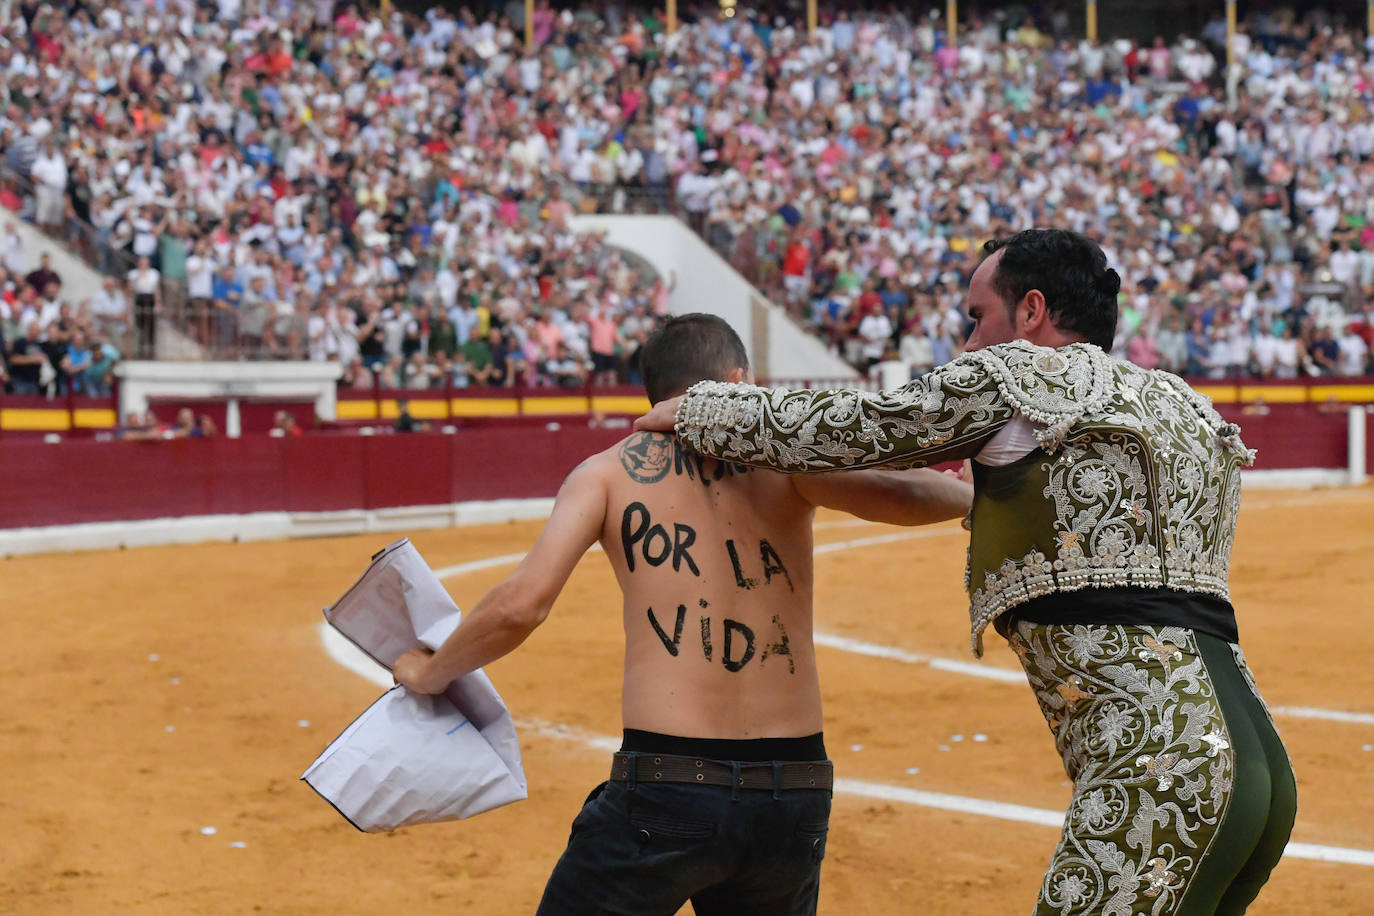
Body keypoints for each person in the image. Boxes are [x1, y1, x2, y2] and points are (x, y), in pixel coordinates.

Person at [638, 230, 1297, 916]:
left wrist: (708, 406)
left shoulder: (1017, 374)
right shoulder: (1177, 403)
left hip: (1157, 765)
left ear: (1032, 311)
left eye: (977, 317)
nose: (969, 344)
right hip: (1257, 768)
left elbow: (859, 425)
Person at [393, 313, 972, 916]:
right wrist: (973, 496)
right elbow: (896, 491)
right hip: (793, 787)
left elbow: (521, 605)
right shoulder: (784, 459)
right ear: (739, 379)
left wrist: (433, 673)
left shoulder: (606, 473)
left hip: (667, 784)